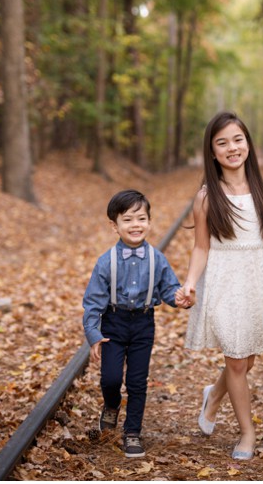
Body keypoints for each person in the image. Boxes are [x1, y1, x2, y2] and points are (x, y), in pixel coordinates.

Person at [175, 111, 263, 460]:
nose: (232, 148)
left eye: (237, 139)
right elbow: (201, 246)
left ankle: (215, 395)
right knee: (236, 361)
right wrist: (190, 283)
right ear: (212, 152)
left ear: (248, 144)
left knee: (246, 360)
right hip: (222, 278)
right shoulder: (207, 197)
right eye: (222, 143)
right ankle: (247, 433)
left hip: (253, 277)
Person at [82, 189, 184, 459]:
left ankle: (132, 432)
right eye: (128, 220)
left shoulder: (157, 259)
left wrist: (182, 298)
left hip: (143, 323)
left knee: (137, 381)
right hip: (113, 324)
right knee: (111, 378)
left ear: (149, 222)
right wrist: (93, 335)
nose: (135, 225)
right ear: (114, 226)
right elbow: (93, 303)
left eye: (141, 219)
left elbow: (169, 290)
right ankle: (112, 405)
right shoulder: (106, 262)